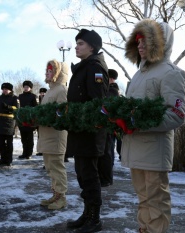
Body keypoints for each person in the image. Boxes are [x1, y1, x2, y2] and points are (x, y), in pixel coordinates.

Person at [122, 19, 185, 233]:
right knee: (143, 199)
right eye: (137, 40)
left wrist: (138, 122)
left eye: (145, 40)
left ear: (159, 43)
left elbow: (177, 114)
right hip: (135, 148)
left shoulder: (171, 72)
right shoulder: (138, 75)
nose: (139, 45)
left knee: (156, 202)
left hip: (154, 151)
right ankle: (144, 229)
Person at [66, 29, 109, 233]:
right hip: (79, 130)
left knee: (90, 175)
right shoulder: (84, 67)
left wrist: (85, 122)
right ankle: (87, 213)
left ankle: (95, 218)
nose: (76, 46)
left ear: (92, 47)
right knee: (82, 174)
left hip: (90, 132)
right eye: (76, 43)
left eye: (81, 43)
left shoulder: (95, 67)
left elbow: (97, 102)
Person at [37, 59, 69, 210]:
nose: (46, 73)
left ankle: (61, 197)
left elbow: (62, 114)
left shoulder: (61, 90)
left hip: (55, 136)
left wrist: (46, 118)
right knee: (50, 167)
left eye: (50, 71)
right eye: (47, 70)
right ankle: (55, 193)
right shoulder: (50, 90)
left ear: (57, 73)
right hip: (46, 135)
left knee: (56, 167)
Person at [97, 69, 120, 187]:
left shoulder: (113, 90)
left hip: (108, 127)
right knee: (104, 152)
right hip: (105, 126)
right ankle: (103, 177)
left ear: (110, 78)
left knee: (107, 152)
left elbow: (106, 104)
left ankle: (106, 178)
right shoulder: (109, 89)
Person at [0, 82, 19, 166]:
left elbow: (17, 109)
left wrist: (8, 107)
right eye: (3, 89)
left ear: (10, 90)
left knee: (8, 143)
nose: (4, 91)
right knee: (0, 143)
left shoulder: (14, 98)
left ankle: (8, 160)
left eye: (6, 89)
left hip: (9, 122)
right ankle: (2, 159)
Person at [18, 80, 38, 159]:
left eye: (28, 87)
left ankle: (29, 153)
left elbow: (36, 107)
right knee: (23, 137)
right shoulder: (20, 96)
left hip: (30, 119)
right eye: (25, 87)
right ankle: (24, 152)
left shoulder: (33, 96)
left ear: (30, 88)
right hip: (22, 119)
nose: (26, 88)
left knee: (29, 137)